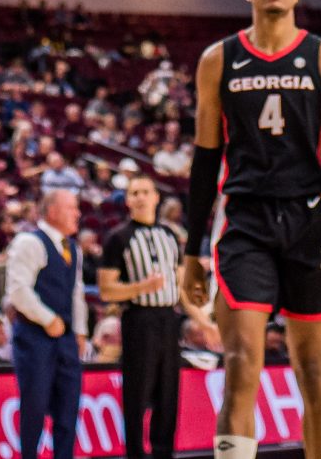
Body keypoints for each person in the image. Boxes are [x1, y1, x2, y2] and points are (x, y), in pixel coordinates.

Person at [177, 0, 321, 459]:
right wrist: (192, 249)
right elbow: (205, 157)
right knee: (239, 362)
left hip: (309, 221)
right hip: (244, 220)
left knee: (316, 373)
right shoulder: (219, 59)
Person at [100, 176, 186, 459]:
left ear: (156, 197)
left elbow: (180, 285)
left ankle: (164, 453)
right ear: (127, 201)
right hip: (138, 319)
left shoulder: (171, 236)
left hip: (169, 319)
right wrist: (140, 288)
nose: (139, 197)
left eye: (144, 192)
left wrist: (205, 321)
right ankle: (135, 454)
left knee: (168, 394)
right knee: (137, 394)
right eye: (134, 193)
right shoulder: (118, 238)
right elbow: (106, 290)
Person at [5, 191, 85, 459]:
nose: (78, 214)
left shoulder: (73, 248)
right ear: (52, 212)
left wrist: (81, 332)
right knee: (34, 409)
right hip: (34, 336)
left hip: (66, 339)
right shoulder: (29, 242)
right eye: (72, 208)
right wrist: (47, 318)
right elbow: (17, 290)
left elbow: (77, 293)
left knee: (68, 411)